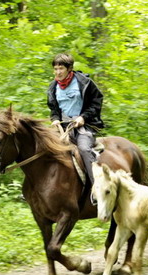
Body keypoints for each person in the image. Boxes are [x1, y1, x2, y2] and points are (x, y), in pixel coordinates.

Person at [47, 53, 104, 191]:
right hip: (62, 127)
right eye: (55, 69)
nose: (58, 72)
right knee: (43, 146)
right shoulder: (53, 87)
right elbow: (54, 109)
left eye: (61, 68)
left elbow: (96, 102)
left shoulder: (84, 83)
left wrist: (83, 117)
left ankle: (98, 188)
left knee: (84, 149)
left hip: (83, 125)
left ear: (69, 68)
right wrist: (55, 119)